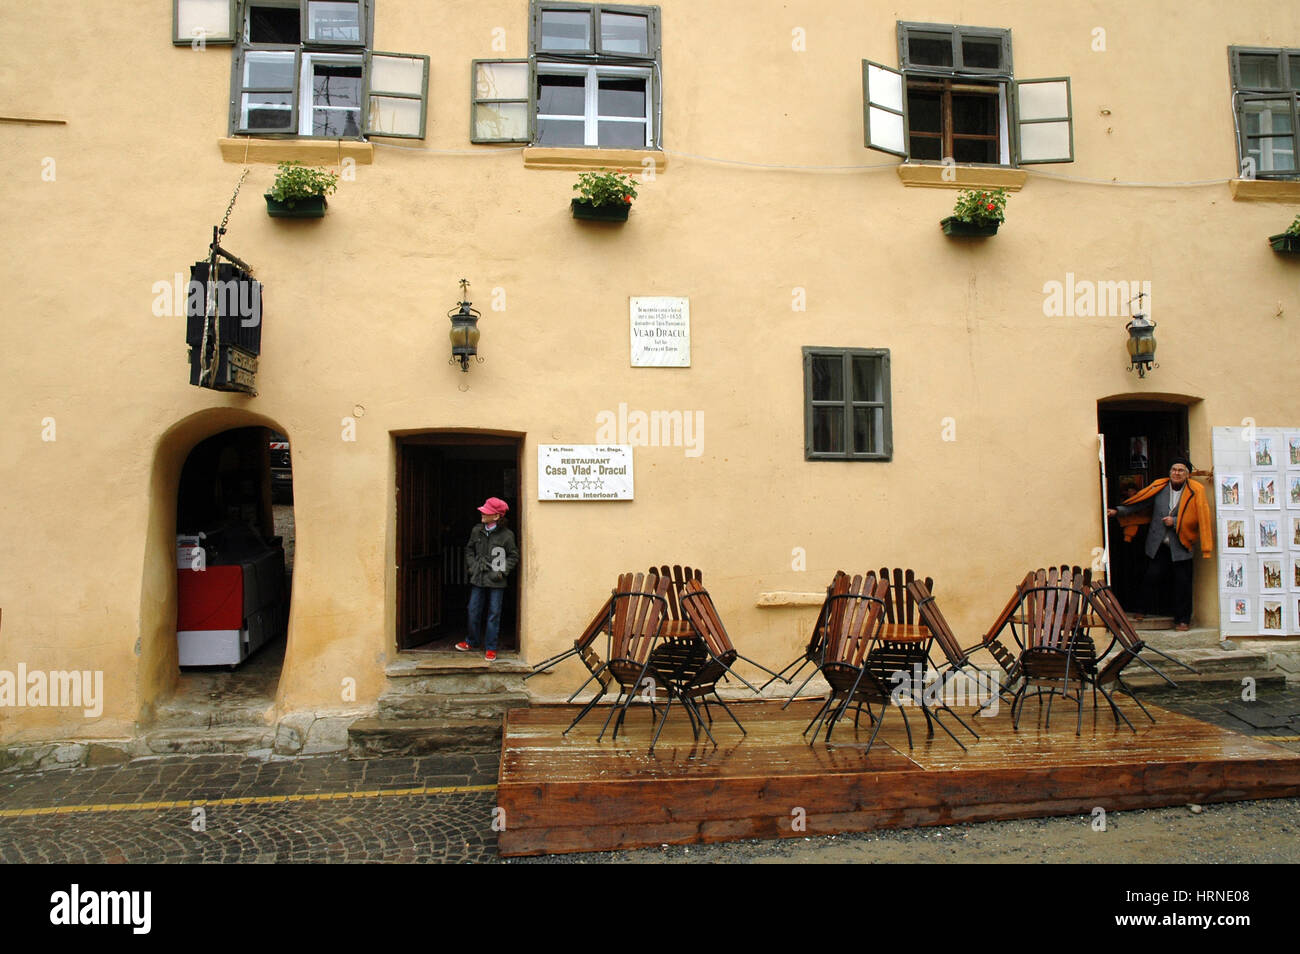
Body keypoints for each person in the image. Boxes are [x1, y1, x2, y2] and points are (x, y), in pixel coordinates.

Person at [1107, 456, 1212, 631]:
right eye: (1174, 470)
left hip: (1182, 543)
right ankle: (1141, 610)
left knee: (1183, 582)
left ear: (1187, 474)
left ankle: (1182, 620)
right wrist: (1117, 511)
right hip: (1158, 544)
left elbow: (1199, 517)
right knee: (1150, 576)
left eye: (1181, 470)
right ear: (1169, 472)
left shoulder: (1196, 491)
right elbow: (1140, 503)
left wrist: (1176, 521)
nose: (1176, 473)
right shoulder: (1160, 487)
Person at [457, 497, 519, 661]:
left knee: (494, 613)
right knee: (473, 610)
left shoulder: (507, 535)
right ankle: (472, 641)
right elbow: (469, 550)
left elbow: (513, 556)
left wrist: (502, 572)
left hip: (497, 579)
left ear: (497, 516)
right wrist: (472, 566)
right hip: (478, 577)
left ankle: (491, 647)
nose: (482, 513)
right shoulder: (476, 530)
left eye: (486, 512)